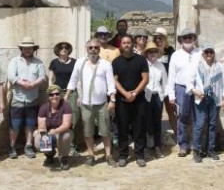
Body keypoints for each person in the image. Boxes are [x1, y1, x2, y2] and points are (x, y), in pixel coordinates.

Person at [65, 38, 118, 167]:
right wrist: (66, 97)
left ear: (99, 49)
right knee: (88, 132)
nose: (93, 50)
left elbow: (111, 83)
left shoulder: (105, 64)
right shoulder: (79, 63)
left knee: (105, 131)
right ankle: (91, 155)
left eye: (96, 47)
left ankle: (108, 155)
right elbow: (73, 80)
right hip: (85, 104)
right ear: (86, 49)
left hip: (102, 104)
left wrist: (112, 100)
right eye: (91, 47)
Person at [112, 34, 149, 167]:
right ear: (121, 45)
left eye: (129, 42)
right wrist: (125, 94)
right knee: (122, 128)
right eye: (124, 43)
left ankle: (139, 155)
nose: (126, 45)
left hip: (138, 99)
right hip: (122, 100)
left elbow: (145, 79)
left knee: (139, 128)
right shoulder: (116, 62)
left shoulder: (141, 60)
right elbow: (114, 81)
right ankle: (123, 155)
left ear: (133, 44)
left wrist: (134, 93)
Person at [7, 37, 47, 159]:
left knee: (30, 124)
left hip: (32, 98)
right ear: (21, 49)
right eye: (25, 48)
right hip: (17, 99)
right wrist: (21, 83)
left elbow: (43, 77)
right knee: (15, 124)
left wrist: (33, 84)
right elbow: (11, 76)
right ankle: (12, 146)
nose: (27, 50)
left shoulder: (38, 62)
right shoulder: (14, 61)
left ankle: (28, 146)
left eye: (30, 48)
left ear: (33, 49)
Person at [166, 28, 202, 157]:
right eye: (185, 38)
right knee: (182, 117)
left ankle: (196, 143)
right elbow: (171, 76)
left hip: (197, 88)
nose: (187, 40)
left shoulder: (200, 53)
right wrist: (171, 95)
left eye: (190, 37)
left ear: (193, 39)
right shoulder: (176, 55)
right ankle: (183, 145)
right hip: (180, 88)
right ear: (181, 40)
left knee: (197, 116)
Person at [190, 44, 224, 163]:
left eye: (211, 52)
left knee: (212, 124)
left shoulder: (220, 66)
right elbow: (189, 81)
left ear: (214, 53)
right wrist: (195, 90)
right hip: (201, 98)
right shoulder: (197, 66)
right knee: (200, 124)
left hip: (215, 99)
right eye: (207, 52)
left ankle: (210, 149)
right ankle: (196, 150)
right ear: (203, 54)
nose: (209, 55)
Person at [49, 41, 80, 156]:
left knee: (74, 119)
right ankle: (59, 144)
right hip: (57, 93)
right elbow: (50, 79)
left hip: (72, 92)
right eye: (61, 48)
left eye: (66, 48)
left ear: (69, 50)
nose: (63, 49)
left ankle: (72, 146)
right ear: (58, 50)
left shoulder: (75, 62)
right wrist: (51, 92)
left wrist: (79, 95)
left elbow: (78, 79)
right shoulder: (54, 62)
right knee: (58, 118)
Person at [34, 84, 74, 171]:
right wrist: (44, 134)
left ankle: (63, 159)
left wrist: (55, 131)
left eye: (57, 94)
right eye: (51, 95)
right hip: (49, 133)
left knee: (65, 135)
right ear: (48, 97)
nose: (54, 96)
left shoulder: (66, 106)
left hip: (62, 132)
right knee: (37, 138)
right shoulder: (44, 108)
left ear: (60, 95)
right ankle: (49, 154)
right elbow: (41, 126)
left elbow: (66, 125)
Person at [143, 40, 168, 158]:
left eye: (154, 51)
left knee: (157, 122)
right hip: (146, 96)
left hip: (157, 96)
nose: (153, 53)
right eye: (150, 51)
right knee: (147, 123)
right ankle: (148, 146)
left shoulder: (161, 65)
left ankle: (157, 146)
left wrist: (163, 95)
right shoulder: (143, 64)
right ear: (147, 53)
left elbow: (165, 81)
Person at [153, 27, 177, 136]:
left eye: (161, 38)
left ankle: (178, 134)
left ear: (165, 38)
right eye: (156, 38)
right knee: (156, 113)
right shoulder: (152, 51)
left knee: (171, 111)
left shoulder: (170, 51)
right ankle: (157, 137)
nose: (158, 40)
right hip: (156, 87)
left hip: (168, 85)